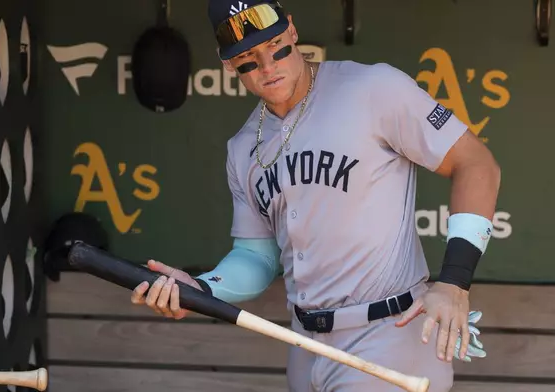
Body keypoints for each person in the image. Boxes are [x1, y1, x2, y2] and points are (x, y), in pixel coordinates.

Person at [130, 1, 499, 391]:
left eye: (276, 47)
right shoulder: (242, 148)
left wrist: (455, 282)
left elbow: (476, 164)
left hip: (388, 334)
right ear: (227, 65)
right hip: (305, 344)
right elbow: (256, 257)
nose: (268, 67)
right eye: (249, 60)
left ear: (292, 30)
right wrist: (202, 288)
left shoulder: (374, 89)